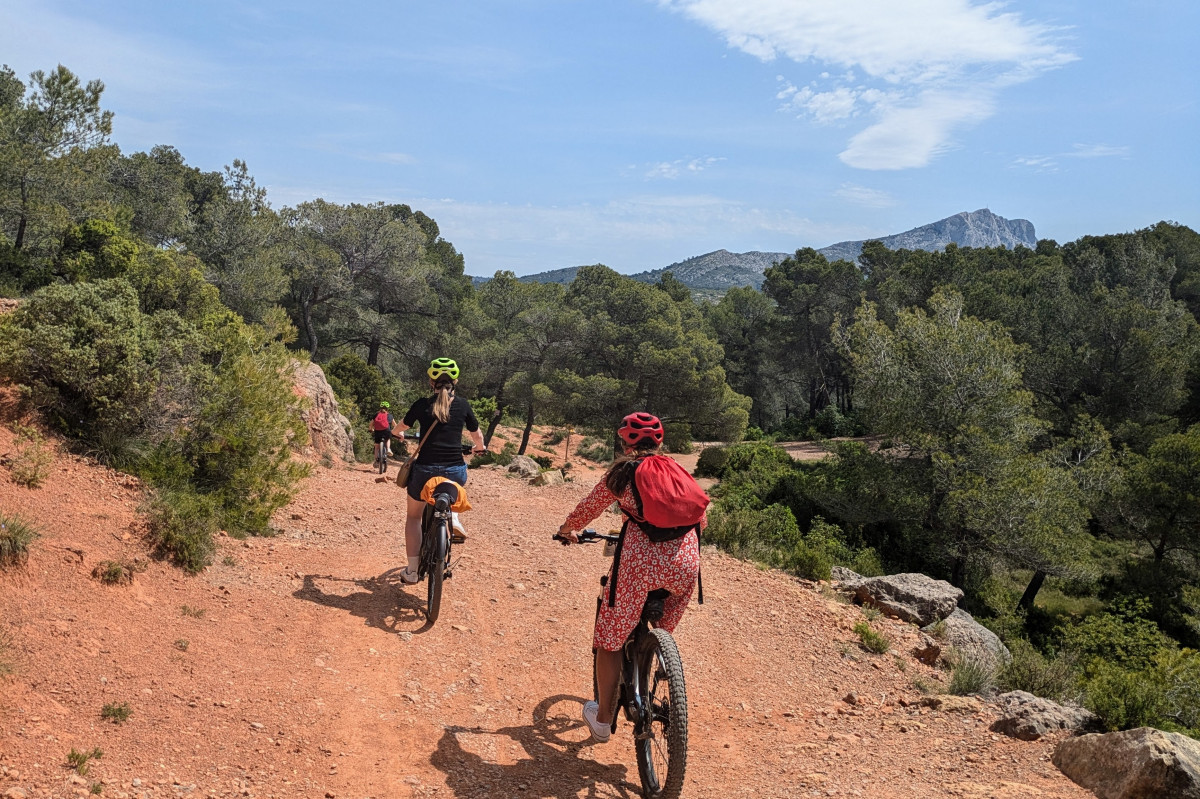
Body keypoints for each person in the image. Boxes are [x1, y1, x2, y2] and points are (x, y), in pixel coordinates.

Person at [556, 412, 703, 743]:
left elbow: (590, 506)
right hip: (685, 562)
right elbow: (699, 517)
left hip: (640, 565)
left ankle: (603, 720)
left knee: (609, 638)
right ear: (660, 442)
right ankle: (660, 653)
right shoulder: (680, 471)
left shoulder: (624, 472)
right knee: (664, 617)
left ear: (625, 442)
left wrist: (567, 529)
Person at [395, 358, 485, 584]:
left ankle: (413, 571)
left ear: (431, 383)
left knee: (414, 516)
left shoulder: (421, 404)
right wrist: (479, 449)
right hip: (454, 470)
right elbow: (477, 436)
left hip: (424, 471)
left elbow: (401, 427)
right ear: (455, 382)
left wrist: (397, 434)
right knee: (452, 486)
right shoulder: (463, 405)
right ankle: (452, 516)